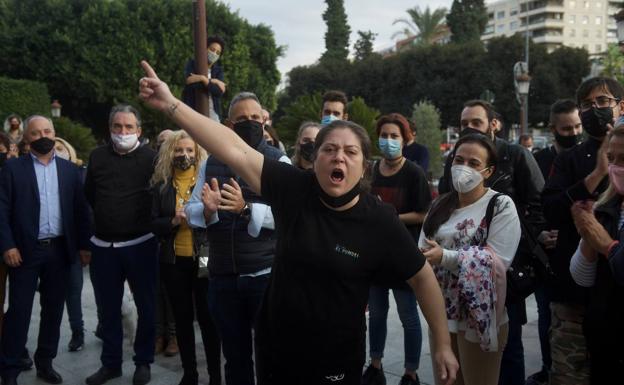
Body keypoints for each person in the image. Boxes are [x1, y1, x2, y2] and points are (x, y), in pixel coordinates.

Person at [139, 60, 458, 385]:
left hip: (335, 356)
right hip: (277, 347)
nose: (339, 157)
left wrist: (443, 344)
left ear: (365, 168)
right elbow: (234, 148)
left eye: (351, 152)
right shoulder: (294, 187)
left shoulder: (378, 219)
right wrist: (171, 104)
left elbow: (422, 278)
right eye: (330, 149)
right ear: (314, 158)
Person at [184, 91, 289, 385]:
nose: (250, 123)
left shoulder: (278, 160)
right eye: (242, 119)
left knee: (270, 354)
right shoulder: (212, 162)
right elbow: (190, 209)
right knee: (234, 356)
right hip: (223, 277)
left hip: (264, 276)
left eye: (255, 118)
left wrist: (246, 209)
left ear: (265, 121)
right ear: (229, 125)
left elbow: (291, 216)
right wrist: (208, 211)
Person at [438, 100, 546, 385]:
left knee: (507, 348)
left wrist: (519, 251)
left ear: (493, 124)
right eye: (464, 124)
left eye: (476, 122)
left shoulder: (516, 156)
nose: (469, 128)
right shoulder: (454, 160)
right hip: (456, 285)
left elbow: (538, 205)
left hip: (506, 272)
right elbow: (444, 206)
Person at [541, 77, 624, 385]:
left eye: (603, 102)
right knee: (568, 374)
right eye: (587, 104)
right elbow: (551, 209)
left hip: (615, 294)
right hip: (572, 293)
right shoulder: (568, 159)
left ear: (620, 106)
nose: (595, 109)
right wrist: (597, 174)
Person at [420, 133, 520, 385]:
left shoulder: (500, 205)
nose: (463, 168)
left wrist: (444, 256)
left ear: (488, 171)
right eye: (459, 160)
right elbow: (423, 246)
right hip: (441, 314)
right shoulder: (440, 203)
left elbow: (496, 261)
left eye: (474, 163)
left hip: (478, 317)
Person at [0, 115, 91, 385]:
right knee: (19, 312)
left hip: (60, 250)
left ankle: (45, 362)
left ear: (55, 133)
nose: (43, 136)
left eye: (47, 130)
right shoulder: (12, 169)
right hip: (24, 252)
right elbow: (1, 210)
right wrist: (7, 245)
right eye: (36, 132)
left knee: (53, 310)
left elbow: (80, 210)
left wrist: (85, 246)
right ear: (27, 138)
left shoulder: (69, 170)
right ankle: (10, 370)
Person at [84, 104, 158, 385]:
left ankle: (143, 362)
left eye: (129, 127)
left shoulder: (152, 158)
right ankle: (111, 364)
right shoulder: (97, 157)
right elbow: (90, 194)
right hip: (104, 248)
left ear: (139, 130)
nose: (123, 132)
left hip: (141, 245)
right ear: (110, 129)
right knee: (108, 310)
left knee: (147, 307)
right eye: (118, 127)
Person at [362, 113, 431, 385]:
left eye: (394, 136)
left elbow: (423, 213)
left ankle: (410, 372)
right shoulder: (371, 170)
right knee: (376, 314)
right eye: (384, 135)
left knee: (408, 316)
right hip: (375, 257)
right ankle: (375, 365)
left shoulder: (414, 172)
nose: (388, 140)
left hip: (403, 255)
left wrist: (389, 219)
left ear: (405, 139)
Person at [150, 131, 221, 385]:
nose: (185, 155)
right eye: (179, 150)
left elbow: (218, 218)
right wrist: (173, 220)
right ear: (170, 152)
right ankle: (189, 374)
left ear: (198, 153)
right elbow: (152, 223)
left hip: (203, 258)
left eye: (190, 150)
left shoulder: (207, 180)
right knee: (181, 319)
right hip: (173, 260)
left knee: (207, 318)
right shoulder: (161, 185)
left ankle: (214, 375)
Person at [527, 99, 583, 385]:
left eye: (577, 126)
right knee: (545, 313)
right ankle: (549, 366)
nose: (572, 132)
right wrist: (541, 233)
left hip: (577, 252)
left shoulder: (587, 157)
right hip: (546, 253)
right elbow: (533, 205)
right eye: (566, 128)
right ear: (553, 129)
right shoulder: (541, 160)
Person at [569, 126, 624, 385]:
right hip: (605, 338)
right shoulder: (609, 205)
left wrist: (607, 245)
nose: (616, 167)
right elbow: (582, 277)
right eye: (611, 159)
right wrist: (588, 236)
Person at [50, 137, 88, 353]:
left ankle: (78, 332)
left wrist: (84, 246)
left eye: (60, 148)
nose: (57, 151)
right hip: (49, 245)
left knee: (74, 291)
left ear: (69, 150)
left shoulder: (78, 173)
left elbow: (83, 212)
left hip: (72, 244)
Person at [182, 36, 226, 121]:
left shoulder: (218, 71)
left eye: (218, 53)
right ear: (205, 48)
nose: (214, 54)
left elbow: (219, 92)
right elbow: (190, 82)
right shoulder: (192, 64)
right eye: (212, 50)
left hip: (213, 115)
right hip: (192, 112)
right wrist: (212, 82)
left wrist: (203, 79)